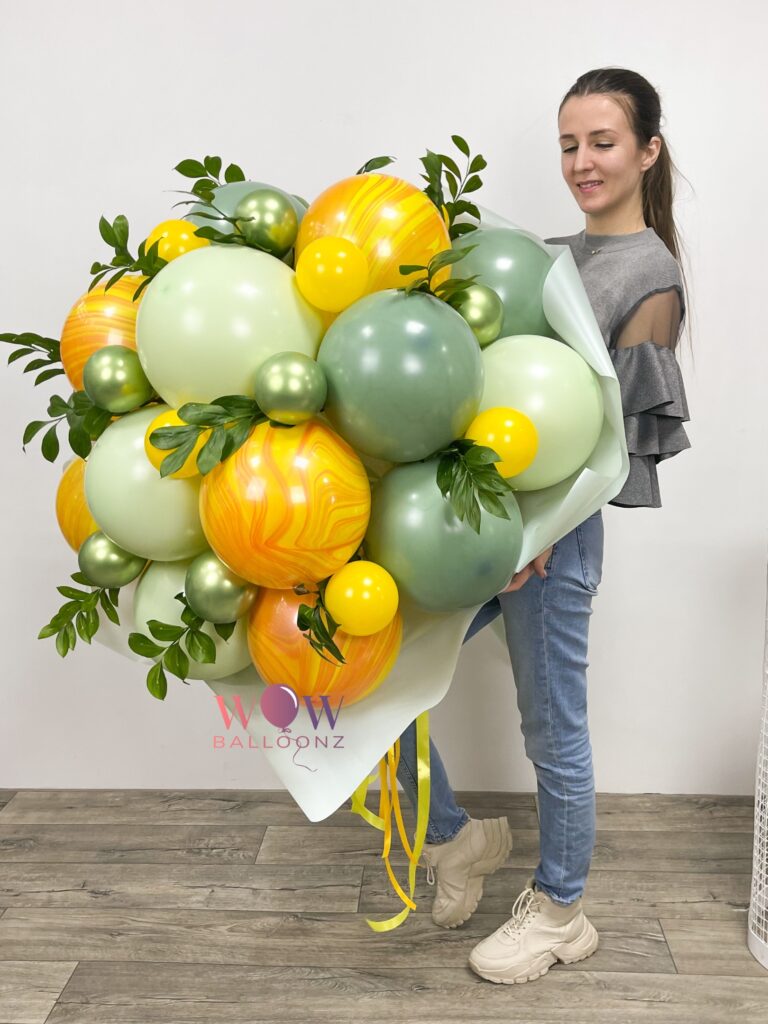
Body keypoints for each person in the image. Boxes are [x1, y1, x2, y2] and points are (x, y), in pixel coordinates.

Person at [394, 67, 692, 985]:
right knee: (381, 678)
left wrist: (548, 535)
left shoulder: (651, 275)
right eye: (569, 144)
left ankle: (561, 908)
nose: (582, 162)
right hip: (481, 528)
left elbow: (614, 446)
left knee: (551, 729)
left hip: (555, 544)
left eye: (603, 142)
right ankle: (456, 839)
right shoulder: (551, 257)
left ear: (647, 150)